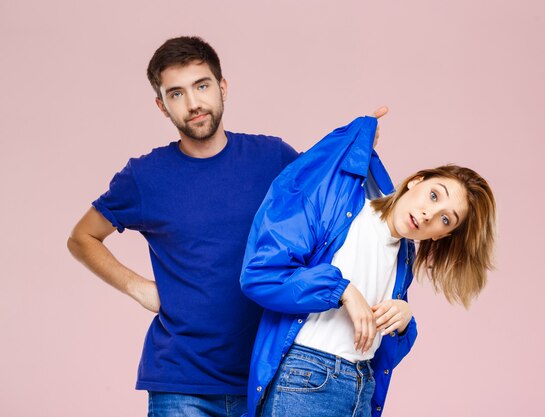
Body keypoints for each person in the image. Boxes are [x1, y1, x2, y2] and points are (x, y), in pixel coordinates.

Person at [66, 36, 299, 417]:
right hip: (180, 382)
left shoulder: (272, 157)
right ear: (162, 106)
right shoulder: (145, 176)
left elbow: (329, 198)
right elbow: (82, 237)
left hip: (267, 375)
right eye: (176, 94)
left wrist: (358, 142)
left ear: (222, 88)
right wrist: (137, 287)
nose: (193, 104)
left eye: (202, 86)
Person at [240, 112, 496, 417]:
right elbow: (263, 275)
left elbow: (381, 346)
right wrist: (342, 290)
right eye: (433, 195)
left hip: (360, 386)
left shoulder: (404, 256)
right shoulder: (351, 209)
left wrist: (403, 321)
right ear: (416, 180)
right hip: (307, 377)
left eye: (444, 218)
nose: (429, 214)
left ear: (443, 235)